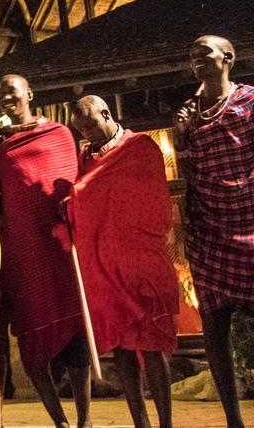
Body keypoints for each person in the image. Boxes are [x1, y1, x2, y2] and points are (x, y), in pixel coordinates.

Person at [173, 36, 254, 428]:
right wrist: (181, 137)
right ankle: (233, 421)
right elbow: (187, 174)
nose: (197, 62)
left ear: (228, 58)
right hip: (211, 231)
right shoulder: (190, 113)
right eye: (192, 58)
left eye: (204, 54)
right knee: (214, 328)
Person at [69, 95, 178, 428]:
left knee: (154, 347)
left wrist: (82, 193)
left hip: (141, 263)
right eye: (81, 129)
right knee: (122, 349)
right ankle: (140, 422)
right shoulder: (84, 158)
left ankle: (166, 424)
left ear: (106, 113)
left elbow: (154, 201)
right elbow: (82, 200)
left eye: (90, 125)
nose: (87, 133)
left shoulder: (140, 148)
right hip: (104, 269)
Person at [0, 75, 90, 428]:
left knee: (76, 334)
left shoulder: (60, 135)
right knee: (32, 339)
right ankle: (59, 421)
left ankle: (84, 419)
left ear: (29, 94)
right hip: (24, 253)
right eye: (0, 93)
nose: (6, 97)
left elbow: (76, 182)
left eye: (11, 91)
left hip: (60, 247)